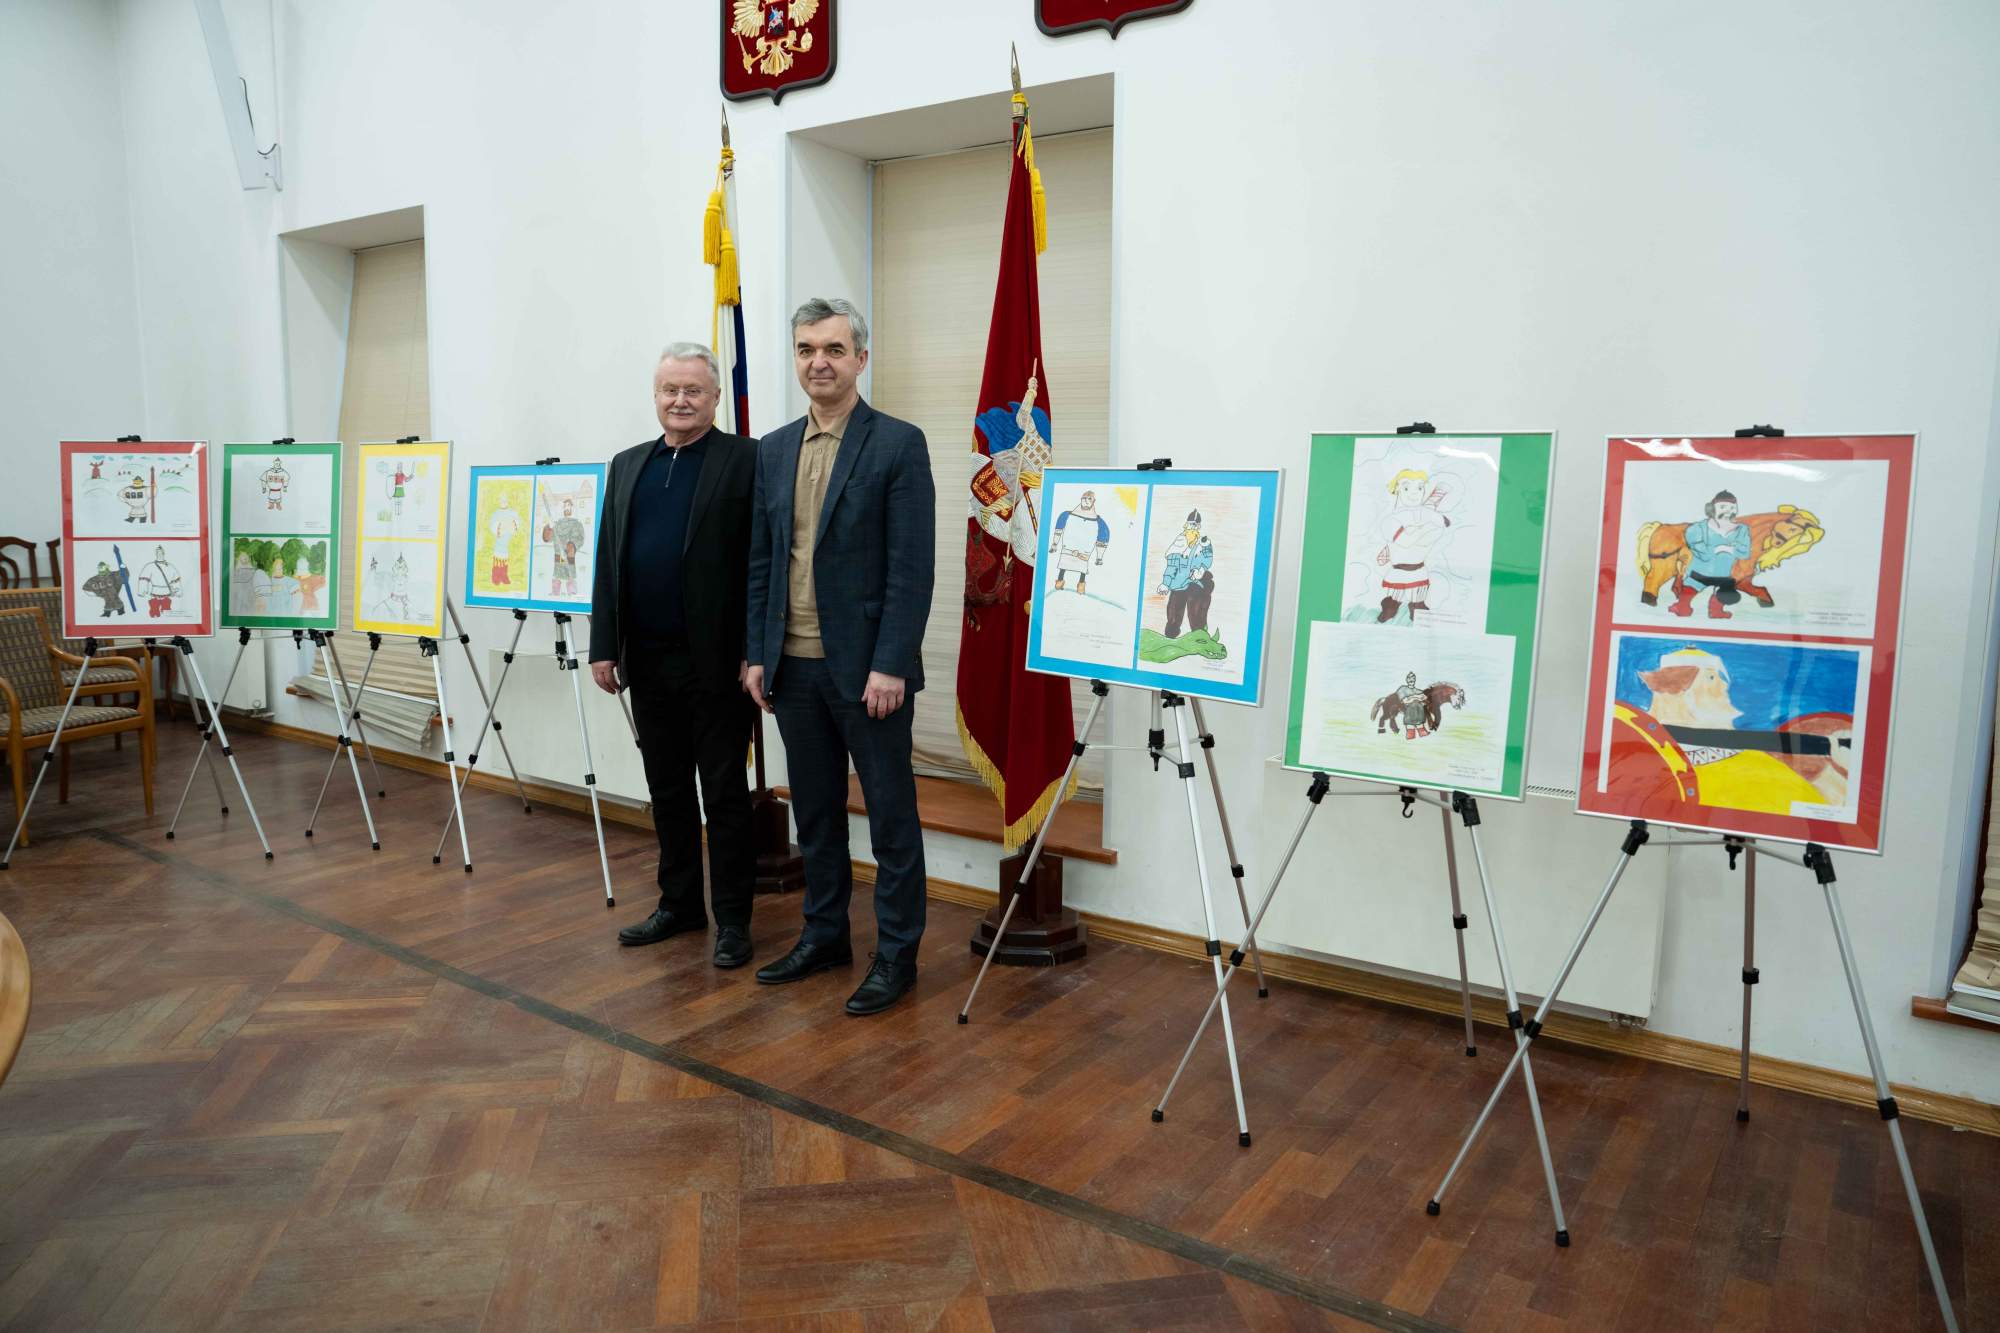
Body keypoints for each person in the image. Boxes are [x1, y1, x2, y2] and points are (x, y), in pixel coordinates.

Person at [745, 297, 935, 1016]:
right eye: (805, 349)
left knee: (891, 819)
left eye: (832, 349)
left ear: (861, 357)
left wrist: (891, 664)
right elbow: (765, 560)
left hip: (867, 673)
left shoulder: (897, 443)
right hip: (792, 667)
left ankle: (897, 956)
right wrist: (757, 653)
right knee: (817, 815)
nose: (818, 362)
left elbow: (911, 568)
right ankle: (824, 936)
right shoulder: (773, 449)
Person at [590, 343, 759, 968]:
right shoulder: (628, 464)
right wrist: (604, 646)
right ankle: (680, 904)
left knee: (724, 795)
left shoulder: (747, 459)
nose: (680, 400)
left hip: (718, 665)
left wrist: (755, 652)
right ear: (656, 396)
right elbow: (608, 560)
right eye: (670, 390)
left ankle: (734, 921)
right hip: (647, 660)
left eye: (693, 390)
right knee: (667, 791)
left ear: (715, 398)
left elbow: (760, 562)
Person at [1674, 490, 1751, 619]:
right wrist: (1718, 549)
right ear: (1711, 508)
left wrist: (1726, 548)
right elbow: (1699, 549)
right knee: (1689, 591)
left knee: (1725, 594)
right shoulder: (1698, 528)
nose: (1728, 511)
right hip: (1700, 573)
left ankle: (1716, 612)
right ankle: (1682, 607)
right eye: (1723, 507)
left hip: (1724, 574)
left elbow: (1745, 552)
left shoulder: (1742, 529)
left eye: (1732, 507)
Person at [1158, 509, 1215, 638]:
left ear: (1198, 527)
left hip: (1197, 582)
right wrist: (1165, 583)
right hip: (1179, 583)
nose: (1193, 527)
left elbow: (1207, 558)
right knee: (1174, 610)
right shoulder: (1178, 544)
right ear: (1186, 525)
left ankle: (1199, 635)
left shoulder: (1203, 542)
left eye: (1195, 525)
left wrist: (1200, 570)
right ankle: (1170, 635)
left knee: (1196, 610)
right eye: (1191, 524)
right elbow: (1171, 567)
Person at [1051, 490, 1108, 594]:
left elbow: (1103, 537)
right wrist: (1054, 544)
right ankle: (1059, 581)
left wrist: (1099, 557)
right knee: (1064, 564)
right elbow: (1059, 528)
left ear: (1093, 501)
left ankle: (1081, 584)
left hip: (1084, 551)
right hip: (1068, 548)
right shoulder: (1067, 515)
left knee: (1082, 567)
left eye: (1089, 499)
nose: (1086, 501)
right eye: (1084, 498)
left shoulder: (1098, 522)